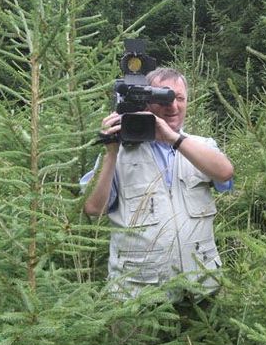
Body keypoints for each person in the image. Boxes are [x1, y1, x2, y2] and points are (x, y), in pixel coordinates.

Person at [83, 67, 234, 300]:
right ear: (145, 102)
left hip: (201, 287)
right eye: (163, 98)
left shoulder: (200, 146)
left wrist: (174, 139)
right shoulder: (119, 153)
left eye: (179, 98)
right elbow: (94, 209)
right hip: (138, 295)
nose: (172, 106)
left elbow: (224, 173)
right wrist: (110, 152)